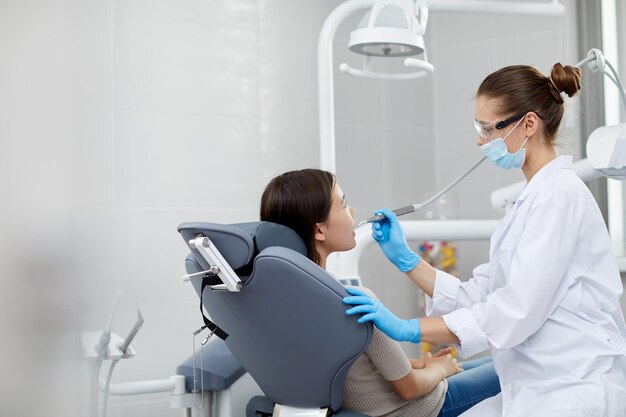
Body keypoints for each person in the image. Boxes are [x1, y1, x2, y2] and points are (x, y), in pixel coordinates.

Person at [343, 63, 626, 417]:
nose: (480, 140)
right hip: (531, 385)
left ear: (528, 124)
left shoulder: (558, 197)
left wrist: (407, 329)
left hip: (572, 384)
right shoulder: (533, 200)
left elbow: (513, 310)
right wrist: (408, 261)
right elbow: (482, 294)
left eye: (488, 128)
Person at [260, 169, 500, 417]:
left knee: (498, 360)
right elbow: (409, 389)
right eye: (343, 204)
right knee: (514, 365)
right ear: (319, 230)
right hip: (420, 407)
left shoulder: (286, 298)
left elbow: (356, 369)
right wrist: (442, 369)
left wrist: (420, 363)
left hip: (378, 399)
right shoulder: (351, 299)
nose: (352, 211)